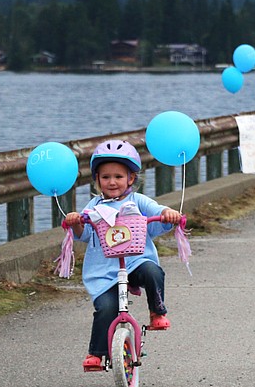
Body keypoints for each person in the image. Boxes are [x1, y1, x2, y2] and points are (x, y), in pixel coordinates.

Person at [64, 140, 185, 371]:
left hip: (135, 261)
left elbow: (157, 211)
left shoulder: (137, 201)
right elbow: (84, 233)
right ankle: (96, 353)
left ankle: (157, 311)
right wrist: (76, 222)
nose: (112, 182)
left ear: (130, 178)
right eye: (106, 177)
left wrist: (168, 214)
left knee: (152, 271)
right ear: (97, 180)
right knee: (106, 309)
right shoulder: (94, 206)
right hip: (104, 271)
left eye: (118, 176)